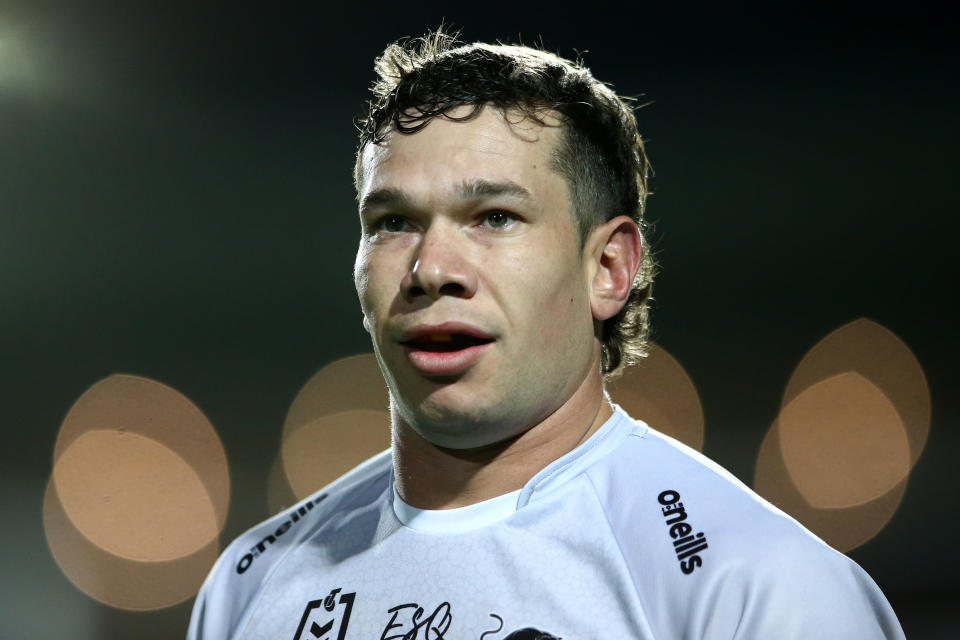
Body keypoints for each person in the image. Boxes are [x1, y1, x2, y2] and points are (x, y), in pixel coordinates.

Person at [188, 29, 905, 639]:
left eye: (495, 216)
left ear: (608, 268)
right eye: (393, 223)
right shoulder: (249, 588)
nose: (432, 268)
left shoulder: (761, 590)